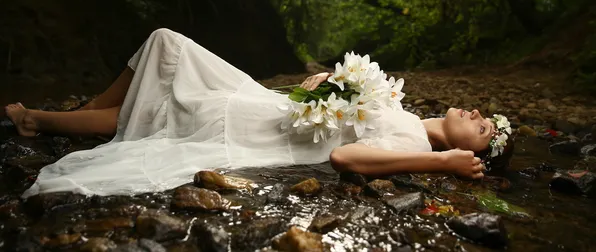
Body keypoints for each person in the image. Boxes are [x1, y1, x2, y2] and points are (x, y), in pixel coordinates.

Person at [3, 28, 513, 198]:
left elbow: (348, 158)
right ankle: (56, 117)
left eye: (482, 126)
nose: (474, 112)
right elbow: (343, 106)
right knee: (164, 50)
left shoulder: (418, 146)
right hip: (266, 104)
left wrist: (440, 165)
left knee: (161, 109)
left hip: (259, 128)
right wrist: (327, 83)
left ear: (472, 152)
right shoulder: (400, 106)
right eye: (482, 112)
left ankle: (45, 119)